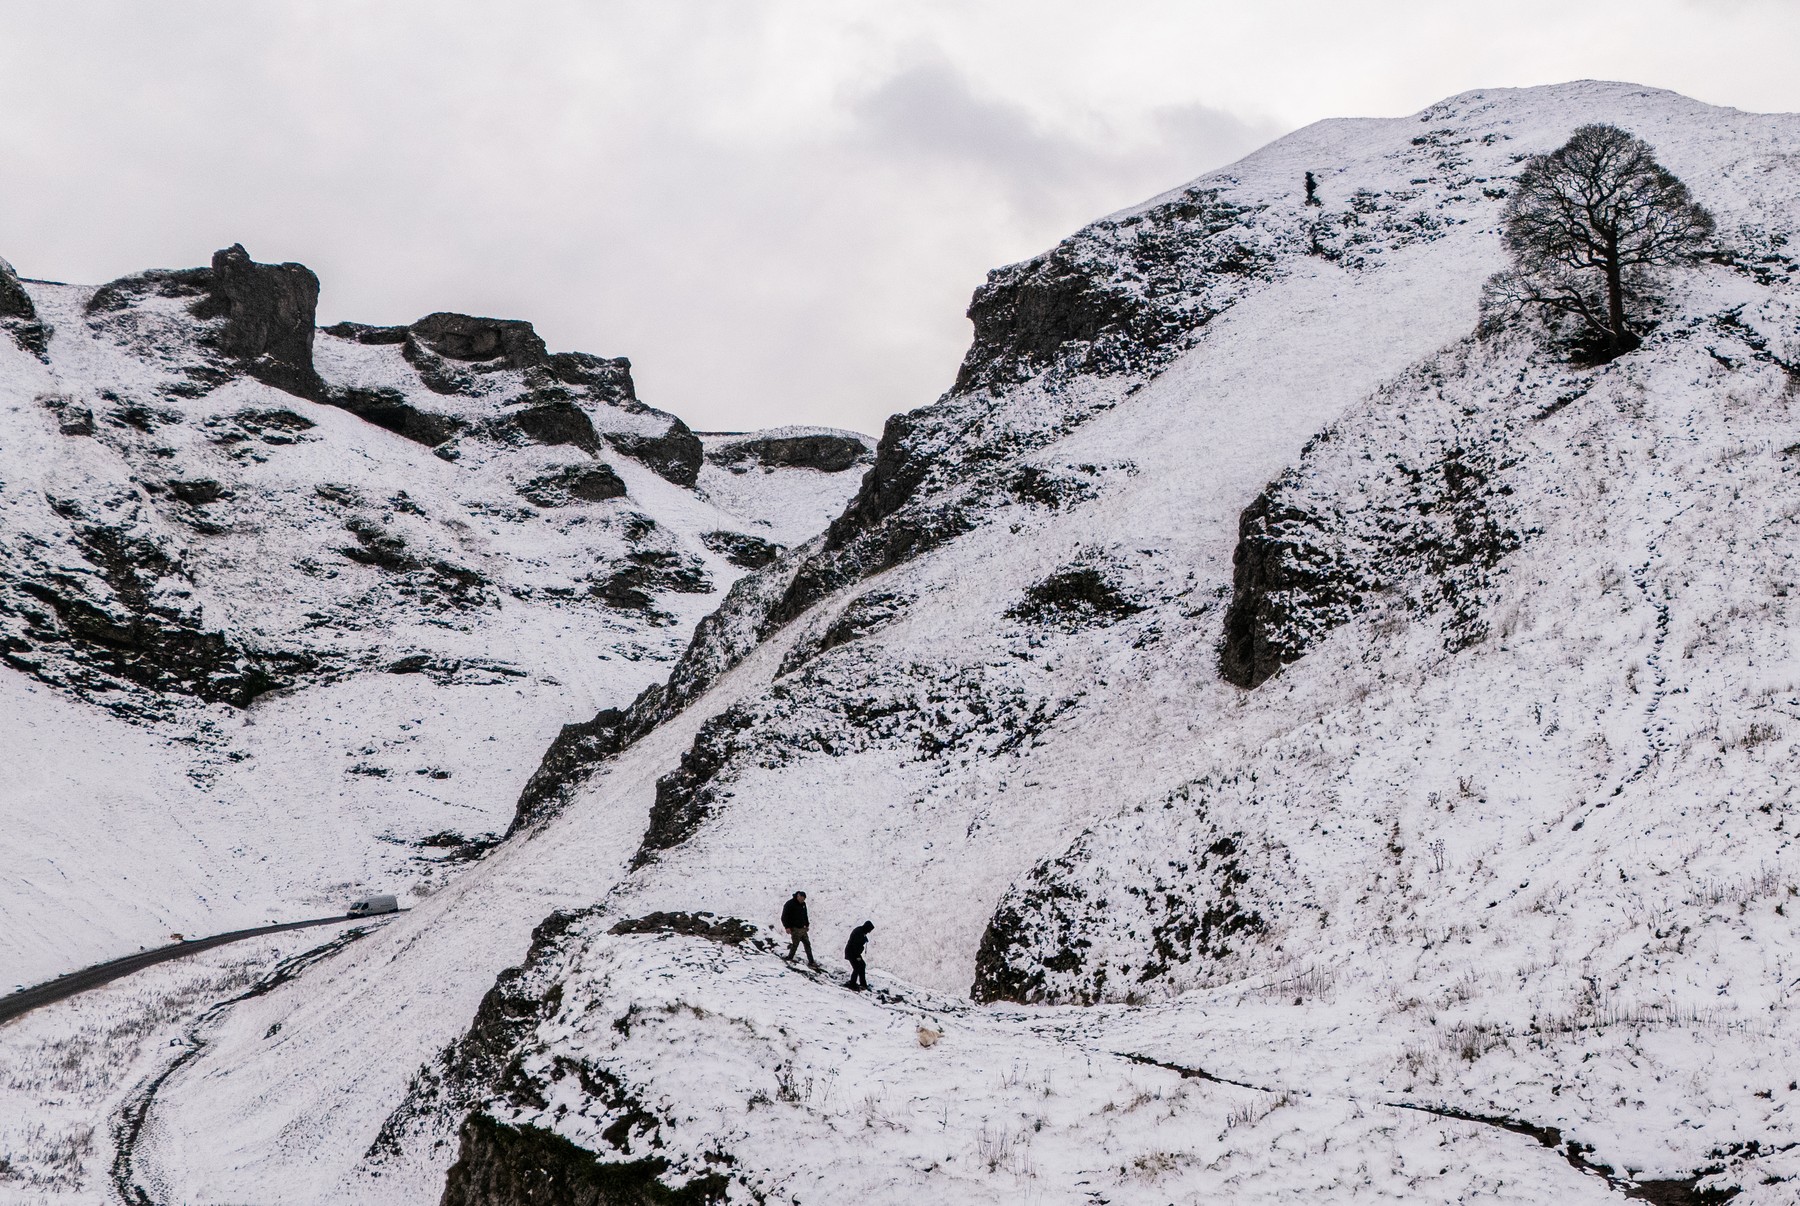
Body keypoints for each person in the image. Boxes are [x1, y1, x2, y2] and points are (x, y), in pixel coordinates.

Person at [781, 891, 821, 969]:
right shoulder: (789, 904)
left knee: (807, 944)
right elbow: (784, 916)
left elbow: (805, 915)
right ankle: (789, 958)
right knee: (795, 944)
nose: (802, 900)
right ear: (798, 896)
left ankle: (811, 961)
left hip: (802, 928)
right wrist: (787, 927)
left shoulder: (803, 904)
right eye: (802, 898)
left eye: (804, 899)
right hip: (794, 928)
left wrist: (807, 924)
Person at [844, 921, 873, 991]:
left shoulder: (860, 931)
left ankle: (862, 984)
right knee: (857, 967)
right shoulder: (859, 933)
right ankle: (853, 984)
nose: (869, 932)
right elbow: (855, 946)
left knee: (861, 965)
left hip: (854, 953)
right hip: (852, 953)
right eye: (869, 930)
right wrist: (858, 956)